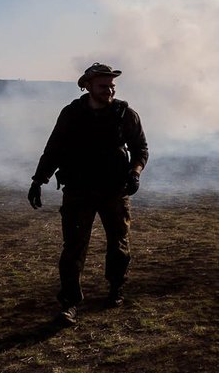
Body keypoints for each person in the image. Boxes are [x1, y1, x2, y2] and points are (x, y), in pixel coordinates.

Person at [28, 62, 148, 325]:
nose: (109, 90)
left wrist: (135, 172)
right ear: (88, 86)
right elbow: (54, 148)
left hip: (114, 190)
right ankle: (70, 303)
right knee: (73, 247)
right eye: (103, 86)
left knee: (118, 244)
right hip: (78, 190)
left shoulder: (125, 114)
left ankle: (116, 288)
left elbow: (140, 148)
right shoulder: (72, 114)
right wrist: (38, 179)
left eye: (112, 86)